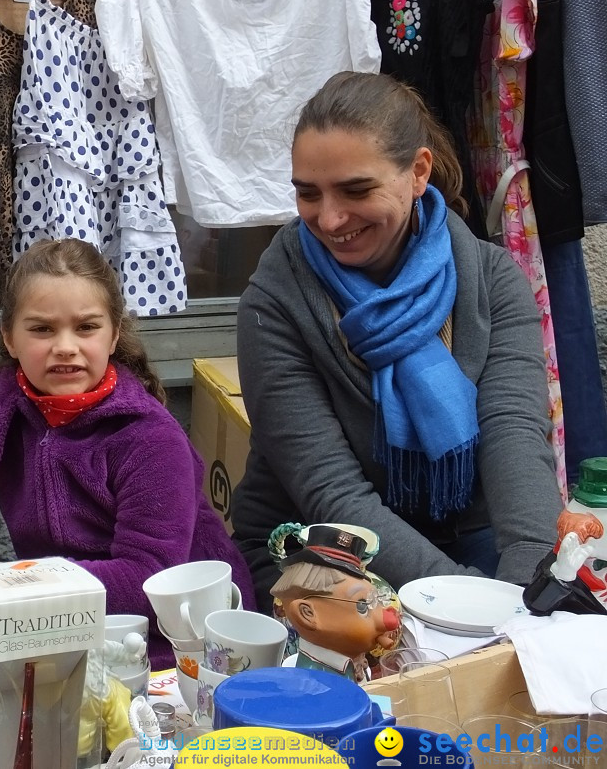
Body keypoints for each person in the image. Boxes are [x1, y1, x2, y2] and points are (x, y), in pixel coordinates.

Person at [232, 71, 559, 611]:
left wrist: (529, 589)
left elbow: (515, 436)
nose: (330, 218)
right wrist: (462, 606)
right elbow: (331, 493)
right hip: (321, 553)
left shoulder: (492, 280)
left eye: (356, 190)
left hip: (469, 541)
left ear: (418, 173)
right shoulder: (275, 301)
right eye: (308, 194)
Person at [0, 238, 252, 669]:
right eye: (42, 329)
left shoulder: (149, 436)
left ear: (114, 336)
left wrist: (16, 585)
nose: (65, 346)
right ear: (9, 338)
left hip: (175, 641)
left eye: (86, 327)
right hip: (55, 619)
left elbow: (148, 576)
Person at [269, 527, 399, 682]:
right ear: (307, 614)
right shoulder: (317, 686)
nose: (387, 620)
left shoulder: (358, 667)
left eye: (376, 601)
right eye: (362, 606)